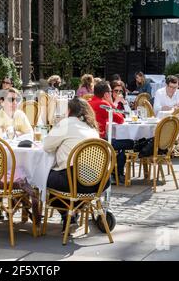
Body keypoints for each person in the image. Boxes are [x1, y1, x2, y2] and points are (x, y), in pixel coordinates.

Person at [44, 97, 105, 231]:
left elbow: (47, 146)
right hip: (97, 182)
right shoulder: (91, 127)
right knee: (60, 177)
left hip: (74, 181)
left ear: (69, 110)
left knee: (42, 179)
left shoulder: (66, 123)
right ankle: (74, 211)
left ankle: (67, 214)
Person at [89, 81, 134, 184]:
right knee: (129, 143)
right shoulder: (103, 103)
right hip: (101, 141)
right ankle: (117, 174)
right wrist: (110, 102)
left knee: (121, 144)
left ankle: (116, 173)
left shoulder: (89, 102)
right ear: (106, 94)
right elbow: (120, 119)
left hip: (90, 139)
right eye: (110, 91)